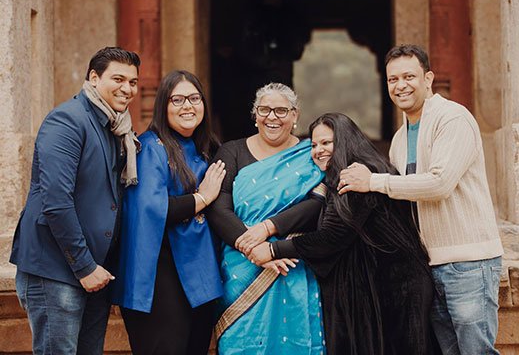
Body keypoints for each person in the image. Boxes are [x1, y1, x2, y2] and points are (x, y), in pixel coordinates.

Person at [338, 44, 504, 355]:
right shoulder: (400, 139)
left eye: (409, 76)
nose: (400, 85)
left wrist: (373, 181)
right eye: (392, 80)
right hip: (431, 264)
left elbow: (439, 184)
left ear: (428, 79)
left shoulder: (452, 119)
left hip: (468, 262)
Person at [248, 112, 435, 355]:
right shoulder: (342, 176)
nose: (318, 150)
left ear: (345, 140)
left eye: (326, 142)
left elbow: (332, 237)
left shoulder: (356, 175)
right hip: (382, 287)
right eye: (314, 145)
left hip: (399, 288)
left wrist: (273, 249)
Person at [9, 47, 141, 354]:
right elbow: (56, 201)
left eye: (133, 82)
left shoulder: (115, 126)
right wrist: (84, 267)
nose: (128, 88)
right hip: (57, 270)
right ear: (94, 78)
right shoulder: (67, 120)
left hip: (95, 273)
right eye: (118, 79)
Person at [206, 82, 326, 354]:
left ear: (295, 115)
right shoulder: (232, 151)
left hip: (293, 264)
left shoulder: (310, 154)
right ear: (255, 114)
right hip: (241, 268)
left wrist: (267, 232)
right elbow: (218, 208)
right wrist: (254, 249)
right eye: (265, 110)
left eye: (282, 110)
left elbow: (317, 205)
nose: (272, 117)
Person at [111, 70, 226, 354]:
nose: (187, 106)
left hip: (200, 275)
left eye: (194, 98)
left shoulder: (209, 149)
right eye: (177, 100)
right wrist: (202, 197)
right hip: (160, 277)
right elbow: (152, 208)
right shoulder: (150, 147)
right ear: (163, 106)